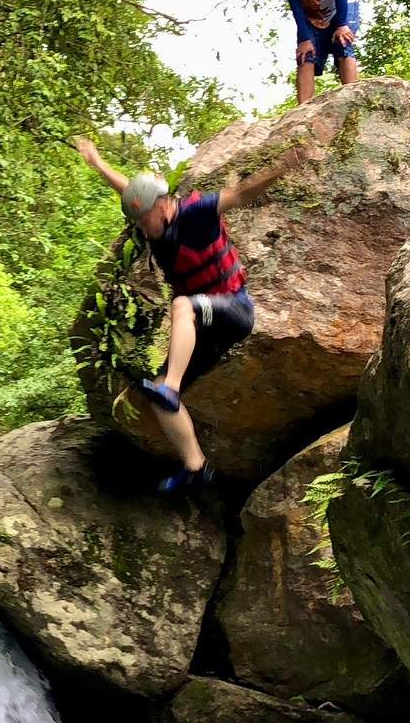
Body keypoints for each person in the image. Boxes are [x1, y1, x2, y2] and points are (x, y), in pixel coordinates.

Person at [72, 134, 307, 494]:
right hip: (205, 325)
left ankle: (172, 385)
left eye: (145, 219)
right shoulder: (150, 214)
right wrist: (98, 162)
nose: (142, 228)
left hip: (233, 310)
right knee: (160, 400)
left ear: (164, 205)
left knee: (181, 309)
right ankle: (195, 467)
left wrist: (282, 167)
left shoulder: (196, 212)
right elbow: (129, 190)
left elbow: (241, 194)